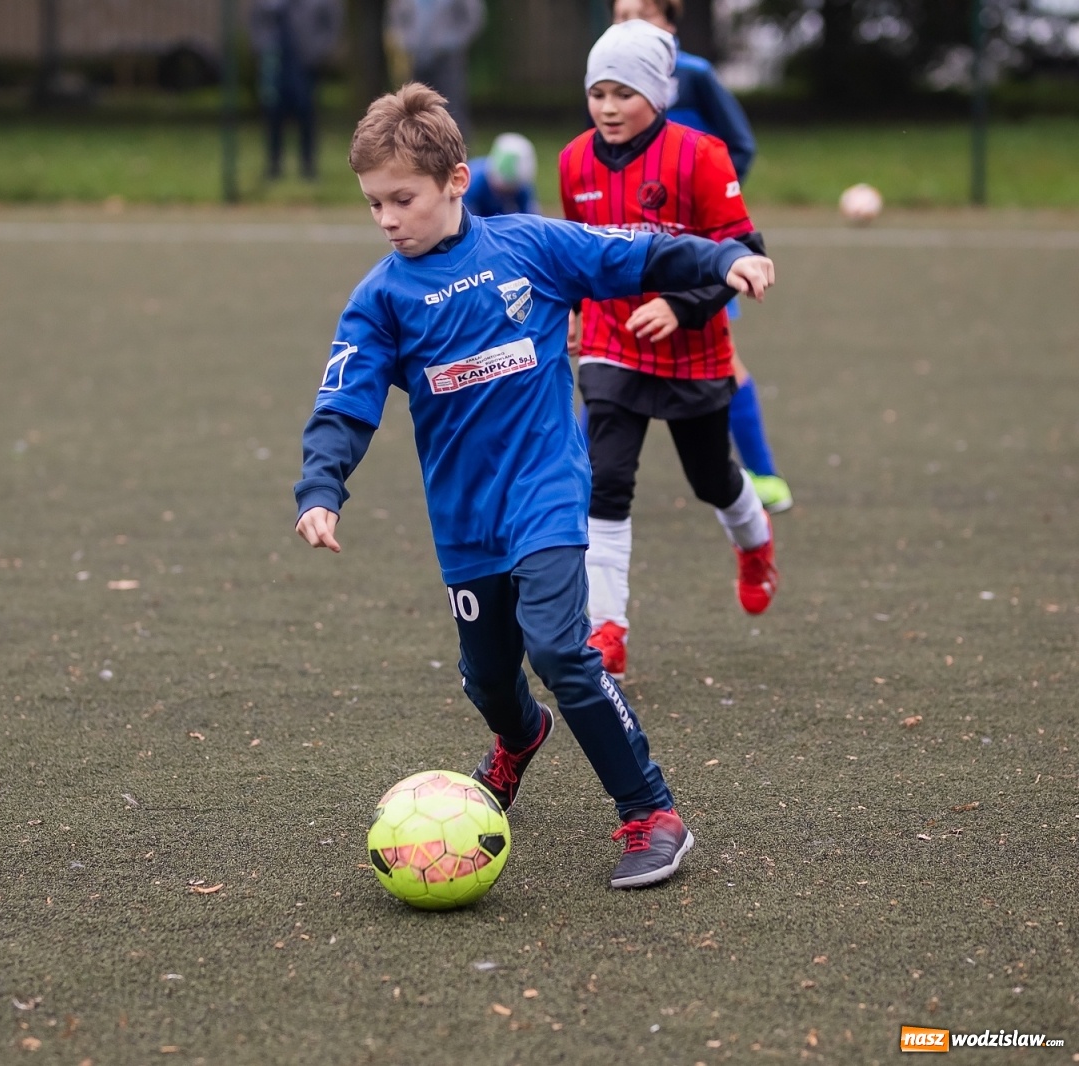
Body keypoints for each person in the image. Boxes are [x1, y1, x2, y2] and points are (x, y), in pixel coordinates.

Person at [293, 83, 776, 888]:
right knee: (487, 677)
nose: (385, 218)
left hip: (547, 490)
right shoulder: (379, 299)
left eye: (401, 199)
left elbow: (639, 249)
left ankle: (652, 812)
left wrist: (725, 256)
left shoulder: (530, 248)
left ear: (456, 180)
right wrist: (321, 487)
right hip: (464, 517)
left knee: (560, 647)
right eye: (374, 203)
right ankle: (520, 739)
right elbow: (346, 400)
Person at [559, 20, 778, 682]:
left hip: (694, 351)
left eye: (622, 93)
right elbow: (573, 252)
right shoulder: (574, 160)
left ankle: (755, 543)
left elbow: (747, 255)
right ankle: (608, 630)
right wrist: (572, 309)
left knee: (711, 476)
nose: (607, 107)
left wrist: (681, 306)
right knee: (608, 478)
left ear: (656, 93)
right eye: (597, 93)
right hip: (609, 342)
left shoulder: (701, 156)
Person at [609, 0, 791, 514]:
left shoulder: (694, 74)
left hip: (701, 255)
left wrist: (707, 201)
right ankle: (583, 477)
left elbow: (740, 145)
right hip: (636, 247)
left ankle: (763, 473)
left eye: (641, 15)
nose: (628, 27)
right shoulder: (607, 83)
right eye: (620, 16)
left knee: (721, 360)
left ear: (670, 22)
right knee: (615, 354)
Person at [249, 0, 343, 180]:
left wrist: (320, 50)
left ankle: (308, 166)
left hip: (305, 65)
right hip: (276, 64)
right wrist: (263, 46)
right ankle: (273, 166)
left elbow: (332, 22)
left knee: (306, 113)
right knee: (273, 114)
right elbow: (256, 21)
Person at [387, 0, 486, 141]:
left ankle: (458, 153)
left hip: (448, 59)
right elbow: (395, 19)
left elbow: (474, 18)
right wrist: (406, 41)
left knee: (452, 109)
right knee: (416, 109)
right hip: (417, 58)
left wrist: (454, 41)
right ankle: (420, 151)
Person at [463, 131, 538, 217]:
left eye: (512, 189)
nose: (508, 193)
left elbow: (530, 217)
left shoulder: (523, 187)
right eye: (504, 189)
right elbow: (468, 222)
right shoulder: (473, 182)